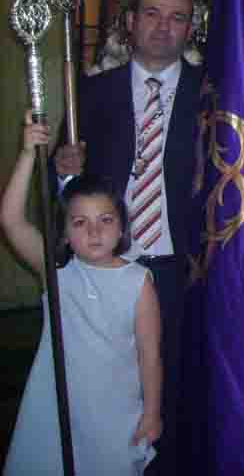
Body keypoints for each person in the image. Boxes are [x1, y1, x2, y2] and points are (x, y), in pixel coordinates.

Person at [52, 0, 201, 476]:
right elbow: (65, 196)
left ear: (190, 29)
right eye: (153, 14)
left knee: (178, 394)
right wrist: (61, 170)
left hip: (184, 273)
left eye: (177, 17)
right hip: (109, 272)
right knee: (109, 393)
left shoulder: (214, 97)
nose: (164, 27)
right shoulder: (91, 96)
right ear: (131, 22)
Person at [3, 114, 162, 475]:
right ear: (65, 233)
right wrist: (28, 153)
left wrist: (152, 413)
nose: (94, 232)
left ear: (121, 224)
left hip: (114, 409)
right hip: (57, 404)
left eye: (105, 220)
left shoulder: (138, 282)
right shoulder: (57, 273)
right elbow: (11, 220)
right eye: (80, 222)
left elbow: (149, 355)